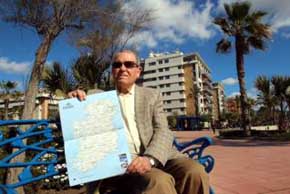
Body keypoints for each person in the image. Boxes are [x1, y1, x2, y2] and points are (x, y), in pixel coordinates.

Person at [68, 50, 209, 194]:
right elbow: (72, 123)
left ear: (138, 71)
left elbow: (163, 131)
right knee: (159, 181)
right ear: (112, 71)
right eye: (117, 65)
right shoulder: (96, 97)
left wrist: (150, 159)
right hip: (125, 165)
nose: (122, 68)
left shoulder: (151, 95)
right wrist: (74, 101)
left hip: (157, 155)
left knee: (195, 171)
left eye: (128, 64)